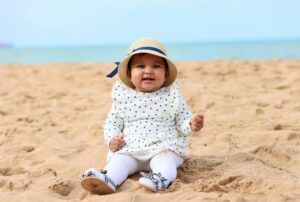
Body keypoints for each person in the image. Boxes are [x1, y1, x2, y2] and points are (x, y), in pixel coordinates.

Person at [80, 38, 204, 194]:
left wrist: (191, 124)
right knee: (119, 162)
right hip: (130, 148)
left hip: (164, 146)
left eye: (156, 66)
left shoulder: (172, 96)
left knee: (166, 161)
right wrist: (112, 139)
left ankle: (160, 179)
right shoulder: (123, 98)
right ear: (129, 74)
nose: (148, 71)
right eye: (140, 66)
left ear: (166, 74)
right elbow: (112, 123)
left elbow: (182, 121)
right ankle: (109, 179)